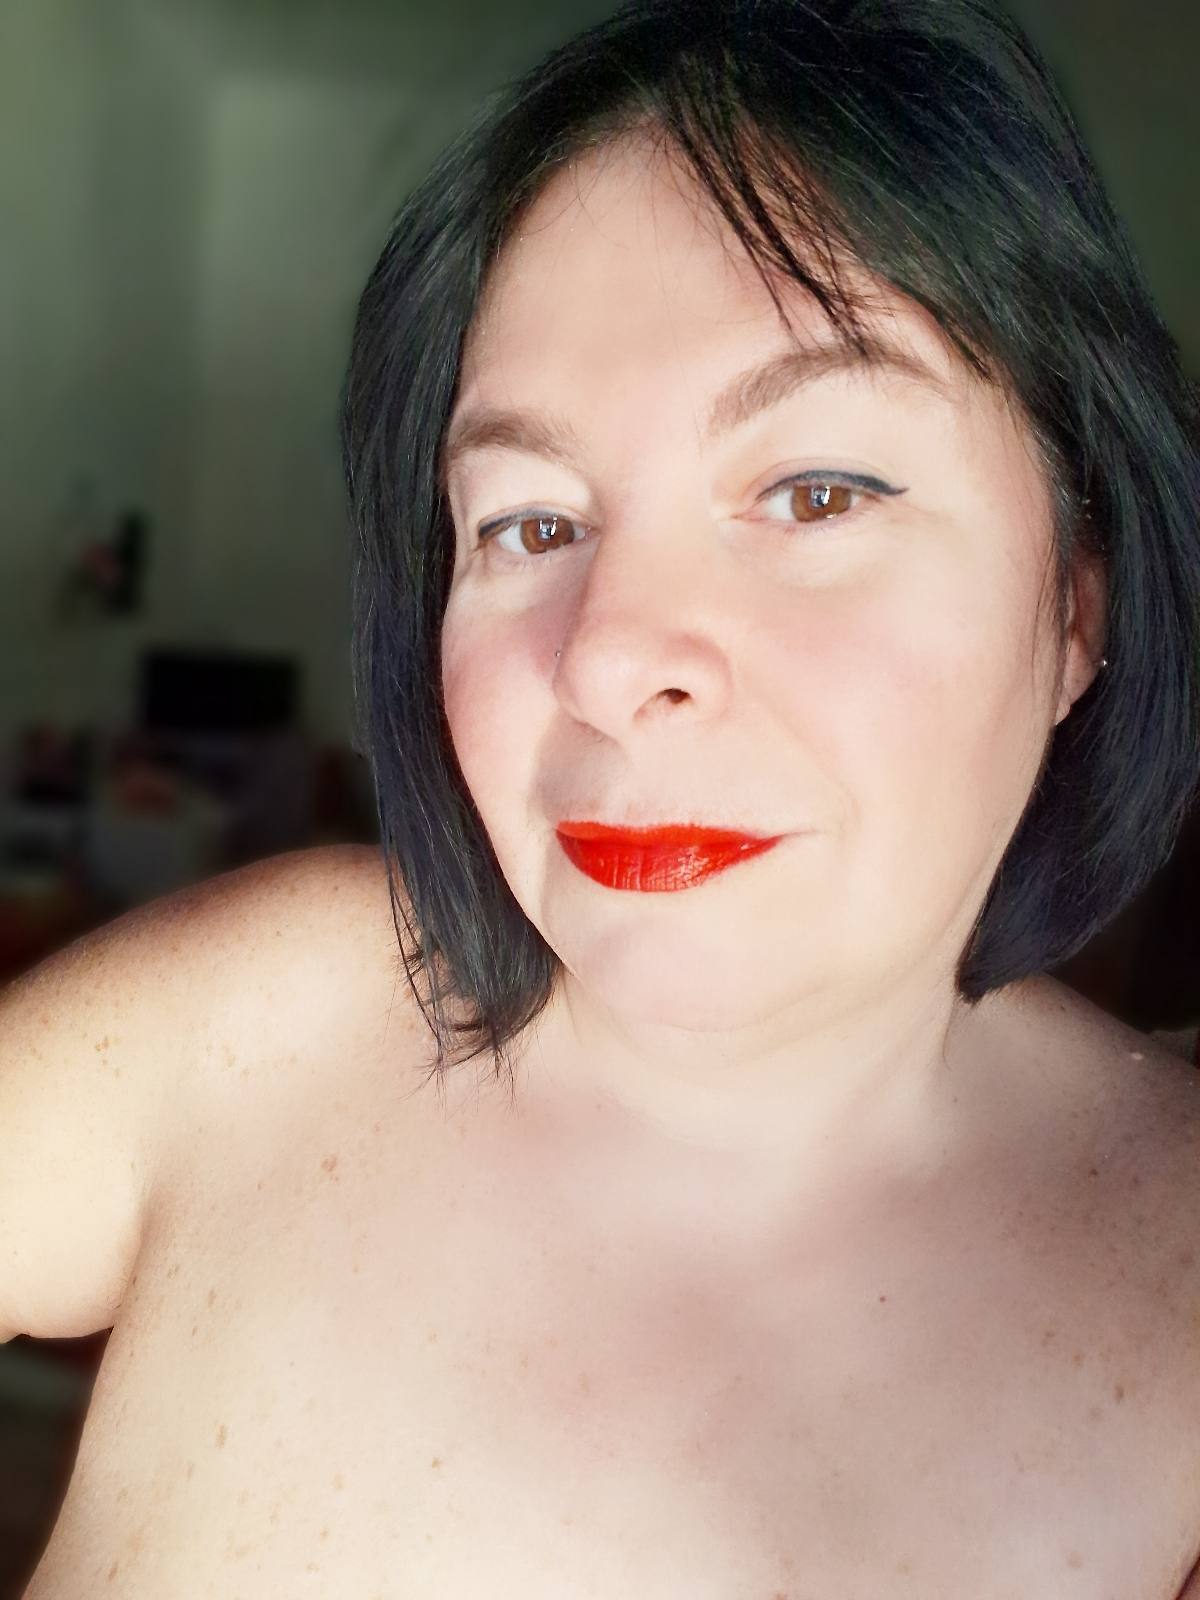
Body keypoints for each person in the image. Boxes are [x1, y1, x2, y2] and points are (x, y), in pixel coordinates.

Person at [6, 0, 1200, 1593]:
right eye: (530, 523)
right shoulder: (245, 1029)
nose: (610, 655)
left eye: (817, 491)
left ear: (1076, 610)